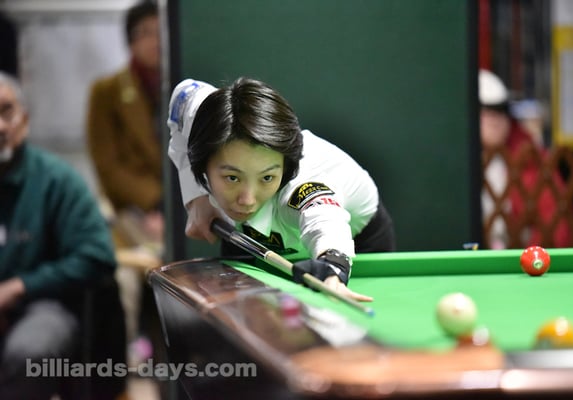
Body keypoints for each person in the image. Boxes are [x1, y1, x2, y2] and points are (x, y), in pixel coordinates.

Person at [167, 77, 396, 301]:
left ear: (285, 168)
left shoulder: (302, 188)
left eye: (267, 177)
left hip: (359, 238)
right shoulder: (206, 116)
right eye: (232, 178)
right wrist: (196, 196)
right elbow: (183, 93)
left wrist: (333, 269)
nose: (247, 200)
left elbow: (325, 221)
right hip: (250, 232)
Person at [0, 72, 126, 398]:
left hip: (41, 306)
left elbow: (97, 256)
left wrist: (19, 287)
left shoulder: (57, 181)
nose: (0, 126)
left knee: (31, 351)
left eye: (6, 111)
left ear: (24, 120)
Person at [85, 0, 162, 366]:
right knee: (128, 276)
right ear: (130, 41)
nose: (154, 41)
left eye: (159, 31)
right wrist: (154, 203)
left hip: (180, 208)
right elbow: (108, 167)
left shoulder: (183, 84)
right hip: (130, 209)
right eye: (144, 33)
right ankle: (130, 354)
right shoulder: (107, 91)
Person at [479, 69, 571, 249]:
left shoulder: (528, 156)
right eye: (486, 111)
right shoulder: (453, 161)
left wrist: (527, 258)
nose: (495, 120)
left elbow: (555, 222)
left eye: (502, 110)